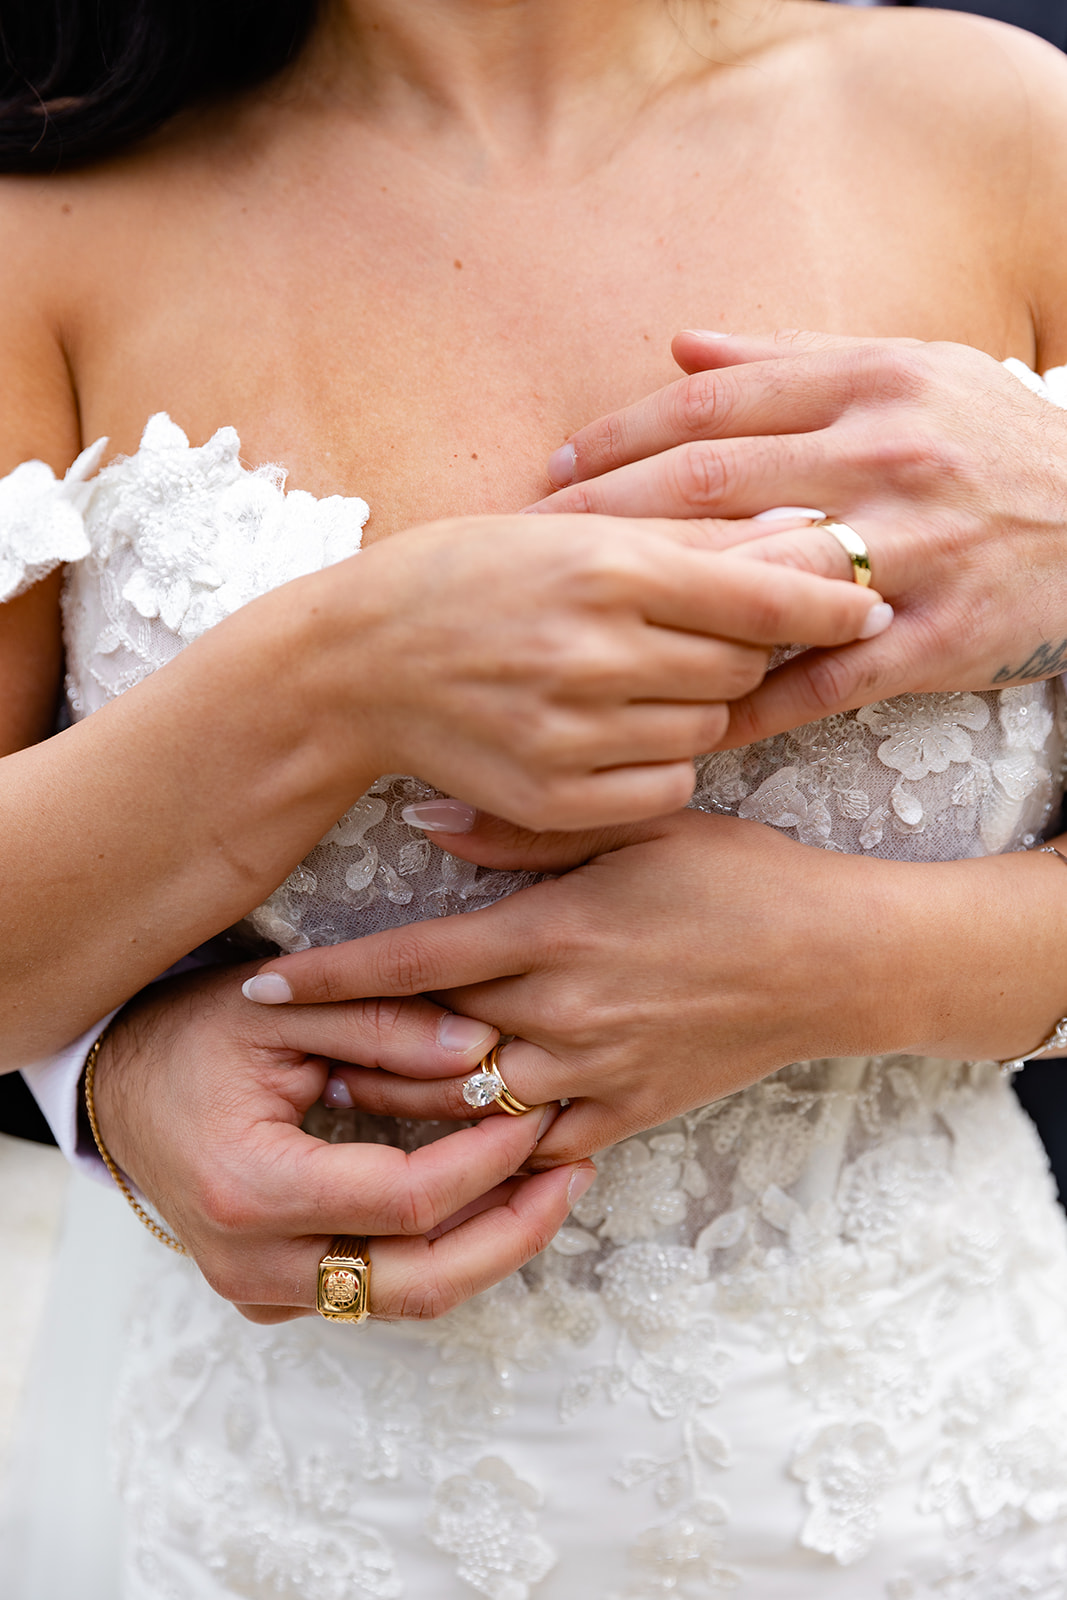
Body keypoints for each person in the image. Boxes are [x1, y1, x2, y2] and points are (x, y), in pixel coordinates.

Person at [7, 1, 1067, 1594]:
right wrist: (339, 667)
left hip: (951, 1490)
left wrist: (853, 964)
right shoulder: (55, 208)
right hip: (312, 1521)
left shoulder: (1001, 127)